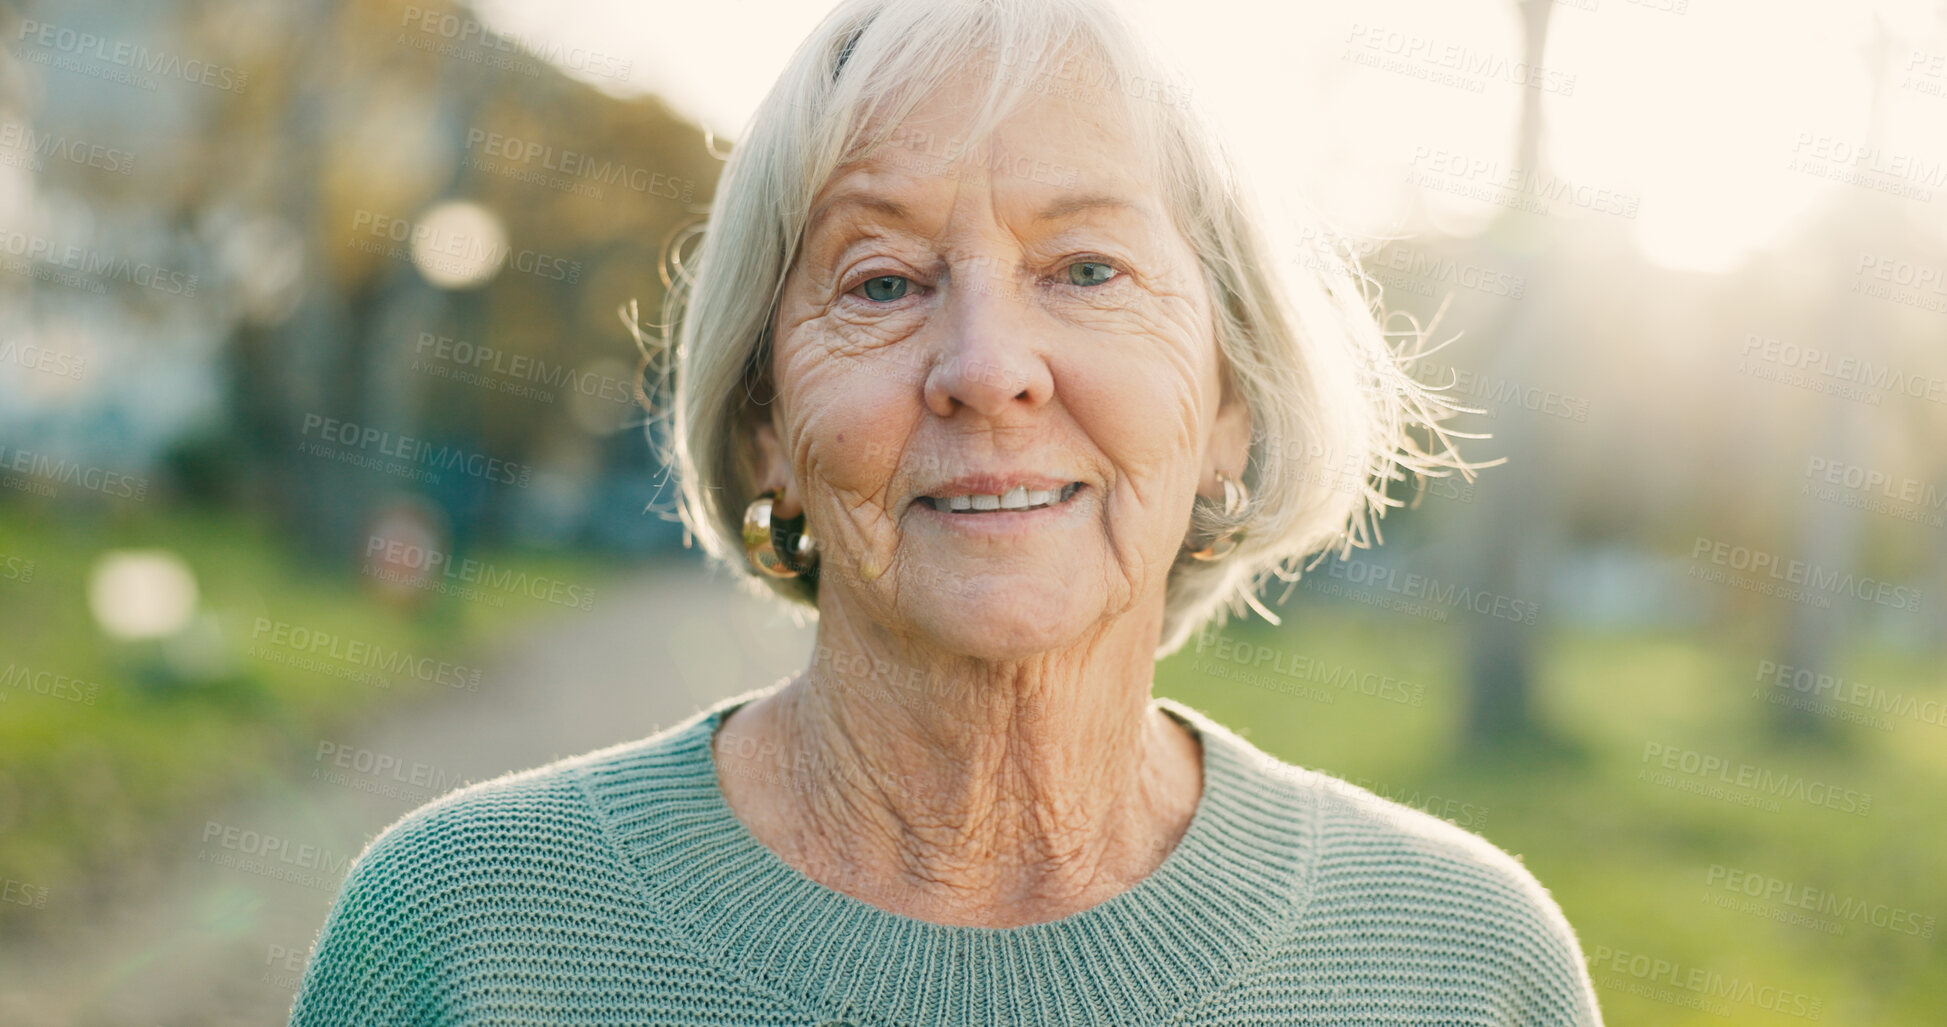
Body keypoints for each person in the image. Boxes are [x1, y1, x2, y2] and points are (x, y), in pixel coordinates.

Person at [289, 0, 1604, 1023]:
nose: (985, 368)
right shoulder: (457, 936)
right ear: (768, 433)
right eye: (880, 283)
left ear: (1229, 407)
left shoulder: (1464, 967)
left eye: (1086, 269)